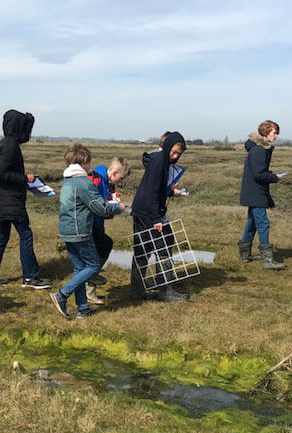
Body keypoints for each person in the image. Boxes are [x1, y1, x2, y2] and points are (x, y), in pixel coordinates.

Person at [50, 144, 125, 320]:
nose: (90, 167)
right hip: (80, 231)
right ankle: (62, 294)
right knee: (92, 266)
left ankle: (83, 309)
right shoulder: (83, 182)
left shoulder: (67, 180)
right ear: (83, 161)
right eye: (89, 162)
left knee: (79, 270)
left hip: (66, 230)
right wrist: (118, 207)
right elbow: (99, 207)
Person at [0, 109, 50, 289]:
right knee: (25, 235)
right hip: (9, 201)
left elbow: (3, 174)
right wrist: (26, 178)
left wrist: (25, 179)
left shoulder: (7, 143)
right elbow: (0, 174)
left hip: (4, 200)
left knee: (2, 236)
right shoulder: (10, 145)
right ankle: (30, 277)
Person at [130, 131, 189, 302]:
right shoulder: (158, 161)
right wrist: (156, 218)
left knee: (145, 250)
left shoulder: (161, 161)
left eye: (179, 153)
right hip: (148, 213)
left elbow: (157, 188)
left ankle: (138, 292)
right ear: (168, 146)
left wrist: (170, 190)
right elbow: (152, 192)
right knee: (161, 246)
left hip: (144, 210)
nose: (175, 156)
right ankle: (163, 290)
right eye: (174, 151)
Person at [238, 120, 286, 269]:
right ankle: (267, 260)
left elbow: (258, 172)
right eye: (274, 133)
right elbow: (259, 174)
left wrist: (271, 175)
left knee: (252, 223)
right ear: (265, 132)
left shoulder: (258, 148)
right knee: (263, 223)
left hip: (253, 192)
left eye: (277, 133)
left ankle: (244, 255)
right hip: (256, 192)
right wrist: (274, 177)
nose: (276, 136)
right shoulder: (259, 150)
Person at [86, 157, 131, 304]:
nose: (121, 181)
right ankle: (89, 280)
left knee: (98, 251)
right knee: (104, 246)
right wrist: (114, 206)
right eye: (121, 178)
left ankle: (89, 291)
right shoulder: (97, 180)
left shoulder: (107, 183)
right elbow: (95, 204)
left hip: (97, 222)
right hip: (89, 222)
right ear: (115, 172)